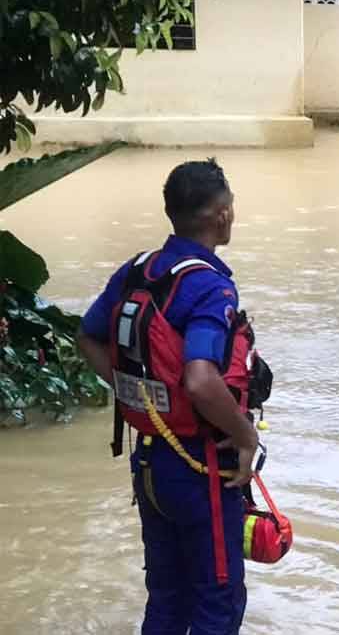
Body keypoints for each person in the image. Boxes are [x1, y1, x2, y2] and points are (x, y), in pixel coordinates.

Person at [78, 159, 260, 635]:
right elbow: (200, 380)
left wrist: (137, 398)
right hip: (201, 467)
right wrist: (245, 437)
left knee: (167, 598)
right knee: (217, 602)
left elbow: (88, 337)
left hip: (151, 463)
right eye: (231, 205)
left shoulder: (139, 269)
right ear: (220, 216)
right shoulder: (209, 286)